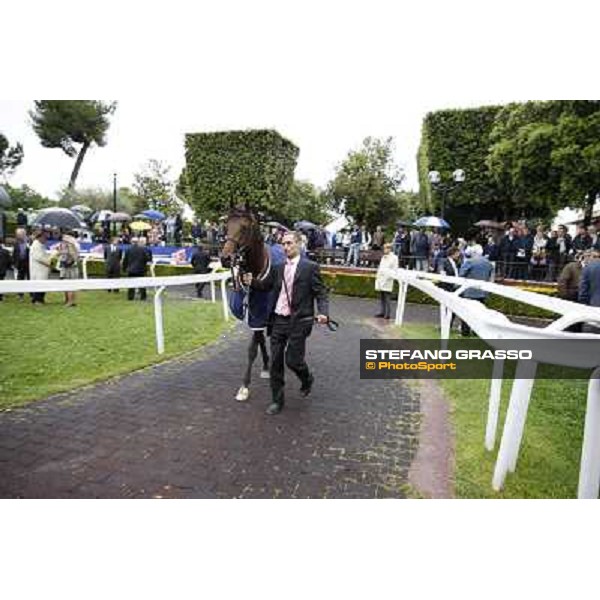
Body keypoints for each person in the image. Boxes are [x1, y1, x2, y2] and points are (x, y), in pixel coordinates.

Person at [242, 230, 329, 416]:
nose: (286, 247)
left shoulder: (310, 267)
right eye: (283, 244)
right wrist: (252, 281)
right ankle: (277, 400)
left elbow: (321, 292)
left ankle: (307, 378)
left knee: (293, 360)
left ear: (299, 244)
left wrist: (323, 313)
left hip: (299, 321)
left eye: (289, 243)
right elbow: (266, 286)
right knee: (275, 363)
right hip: (278, 320)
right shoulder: (278, 267)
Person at [458, 244, 493, 336]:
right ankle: (476, 331)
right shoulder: (488, 263)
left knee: (466, 312)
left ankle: (465, 332)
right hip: (482, 292)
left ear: (473, 252)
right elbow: (490, 277)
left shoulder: (470, 262)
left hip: (470, 292)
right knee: (480, 313)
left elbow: (461, 274)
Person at [29, 226, 54, 304]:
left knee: (42, 284)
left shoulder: (40, 245)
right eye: (45, 238)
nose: (46, 240)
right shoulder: (36, 245)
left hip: (42, 269)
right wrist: (50, 260)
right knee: (39, 284)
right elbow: (40, 258)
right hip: (38, 269)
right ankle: (37, 300)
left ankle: (40, 299)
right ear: (40, 237)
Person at [374, 243, 398, 319]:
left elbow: (394, 269)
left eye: (387, 248)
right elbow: (381, 267)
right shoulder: (383, 257)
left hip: (388, 279)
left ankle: (387, 313)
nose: (385, 250)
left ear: (390, 249)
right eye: (384, 248)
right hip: (381, 278)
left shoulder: (394, 258)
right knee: (382, 296)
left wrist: (387, 277)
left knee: (387, 297)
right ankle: (382, 311)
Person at [57, 230, 80, 307]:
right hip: (66, 265)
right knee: (66, 283)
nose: (63, 238)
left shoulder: (73, 244)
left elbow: (74, 255)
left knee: (70, 284)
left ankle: (70, 301)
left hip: (71, 266)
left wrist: (68, 247)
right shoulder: (64, 244)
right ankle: (69, 300)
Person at [11, 228, 30, 302]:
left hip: (28, 263)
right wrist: (14, 263)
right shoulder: (16, 243)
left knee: (29, 278)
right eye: (17, 235)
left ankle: (32, 294)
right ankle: (20, 295)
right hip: (19, 263)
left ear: (24, 234)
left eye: (19, 234)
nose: (18, 236)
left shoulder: (29, 241)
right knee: (20, 279)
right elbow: (14, 254)